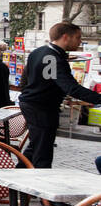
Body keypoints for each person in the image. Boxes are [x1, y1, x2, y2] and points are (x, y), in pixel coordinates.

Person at [18, 22, 101, 168]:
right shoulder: (54, 57)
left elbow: (25, 80)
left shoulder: (38, 52)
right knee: (42, 153)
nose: (80, 41)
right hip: (42, 107)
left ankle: (17, 180)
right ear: (66, 37)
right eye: (78, 37)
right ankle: (37, 185)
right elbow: (71, 88)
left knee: (35, 147)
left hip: (33, 104)